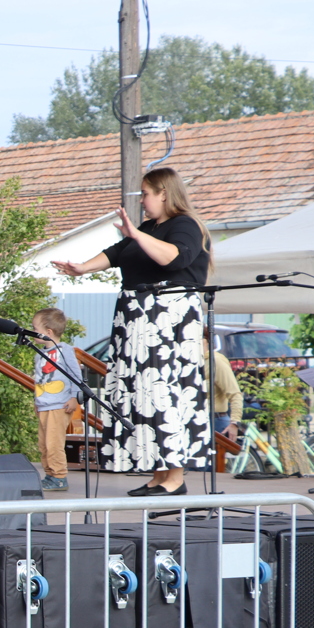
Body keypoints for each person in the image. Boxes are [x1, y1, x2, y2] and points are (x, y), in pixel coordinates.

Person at [52, 167, 211, 496]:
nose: (142, 200)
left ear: (164, 193)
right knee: (143, 395)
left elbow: (175, 258)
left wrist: (138, 235)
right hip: (137, 320)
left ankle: (175, 478)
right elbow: (117, 253)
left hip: (167, 321)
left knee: (165, 392)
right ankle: (159, 473)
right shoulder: (149, 228)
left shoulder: (185, 225)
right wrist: (81, 268)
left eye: (146, 194)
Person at [30, 308, 82, 492]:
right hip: (44, 404)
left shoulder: (65, 351)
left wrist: (74, 397)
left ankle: (59, 476)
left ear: (48, 332)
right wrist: (37, 401)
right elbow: (39, 380)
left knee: (54, 443)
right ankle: (49, 475)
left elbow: (76, 375)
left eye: (35, 328)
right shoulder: (39, 354)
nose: (32, 331)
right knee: (43, 444)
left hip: (60, 405)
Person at [204, 336, 243, 445]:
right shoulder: (190, 362)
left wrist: (234, 422)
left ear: (206, 341)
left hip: (216, 421)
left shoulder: (216, 361)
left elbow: (235, 393)